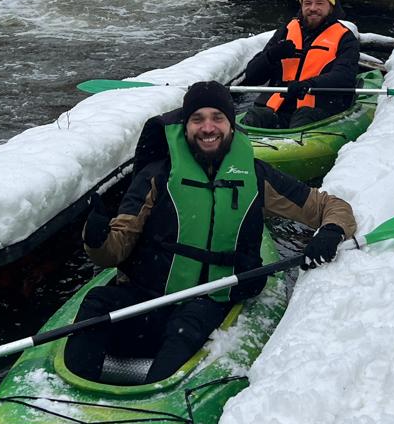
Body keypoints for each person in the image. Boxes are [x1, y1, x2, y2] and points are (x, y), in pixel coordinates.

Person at [65, 80, 356, 383]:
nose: (208, 128)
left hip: (207, 299)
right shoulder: (157, 175)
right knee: (97, 303)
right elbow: (115, 251)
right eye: (197, 119)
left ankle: (155, 391)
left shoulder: (255, 176)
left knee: (184, 334)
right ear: (185, 125)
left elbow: (328, 206)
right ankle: (72, 388)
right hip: (145, 296)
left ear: (231, 125)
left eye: (217, 118)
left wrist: (332, 231)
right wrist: (95, 238)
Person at [238, 0, 360, 129]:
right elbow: (252, 76)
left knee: (303, 116)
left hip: (319, 107)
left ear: (331, 7)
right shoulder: (286, 32)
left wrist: (310, 84)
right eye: (307, 3)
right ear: (302, 7)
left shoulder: (345, 38)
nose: (313, 8)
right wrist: (271, 56)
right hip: (279, 106)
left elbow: (345, 76)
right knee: (256, 116)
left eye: (319, 3)